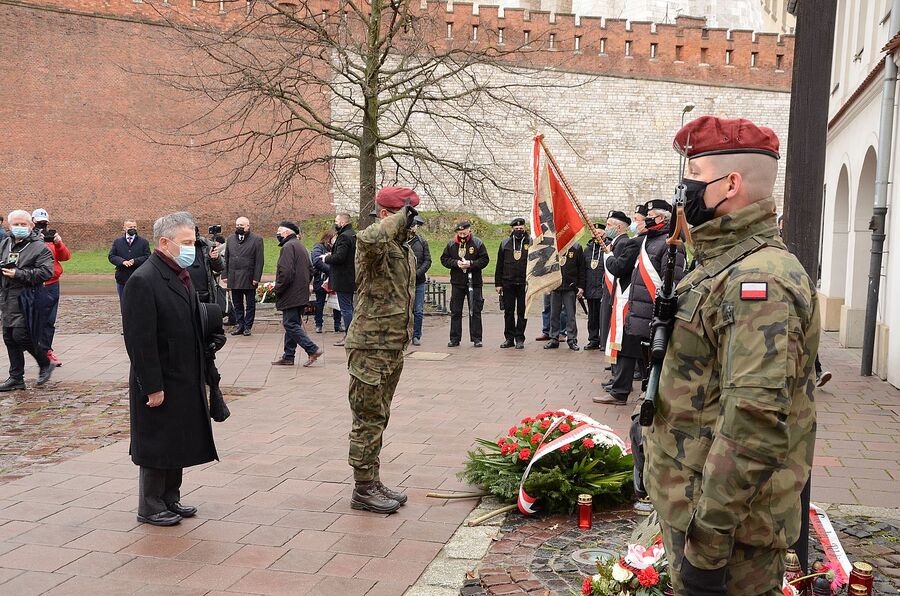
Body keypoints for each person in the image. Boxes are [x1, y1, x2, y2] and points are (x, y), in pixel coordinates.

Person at [645, 116, 819, 595]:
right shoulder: (721, 264)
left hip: (729, 535)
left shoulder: (757, 283)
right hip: (694, 505)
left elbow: (754, 421)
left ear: (731, 184)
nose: (685, 192)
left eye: (695, 178)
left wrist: (708, 545)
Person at [122, 211, 220, 527]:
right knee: (156, 441)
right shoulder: (144, 280)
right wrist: (151, 385)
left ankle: (170, 498)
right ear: (165, 243)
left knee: (176, 438)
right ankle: (149, 506)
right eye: (187, 242)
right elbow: (140, 341)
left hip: (183, 375)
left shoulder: (180, 274)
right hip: (160, 378)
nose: (193, 248)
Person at [345, 186, 419, 514]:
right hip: (369, 346)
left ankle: (372, 479)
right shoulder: (375, 245)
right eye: (408, 216)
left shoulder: (404, 250)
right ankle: (362, 489)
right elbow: (369, 238)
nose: (412, 224)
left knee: (380, 417)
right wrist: (397, 218)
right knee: (368, 418)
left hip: (390, 347)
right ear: (388, 215)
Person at [596, 200, 685, 405]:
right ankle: (620, 391)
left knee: (651, 357)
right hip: (637, 307)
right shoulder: (647, 240)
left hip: (653, 310)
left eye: (650, 215)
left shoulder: (671, 243)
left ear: (662, 218)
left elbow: (671, 280)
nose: (646, 219)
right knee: (628, 348)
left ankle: (650, 395)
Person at [0, 210, 55, 391]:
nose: (19, 228)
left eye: (23, 224)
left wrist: (19, 274)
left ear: (31, 225)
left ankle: (45, 362)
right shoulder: (5, 243)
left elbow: (46, 272)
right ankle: (16, 377)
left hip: (27, 296)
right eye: (16, 224)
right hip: (7, 296)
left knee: (20, 335)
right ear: (9, 225)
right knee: (9, 336)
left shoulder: (39, 247)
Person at [271, 222, 324, 367]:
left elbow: (286, 272)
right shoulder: (300, 246)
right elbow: (311, 269)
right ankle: (288, 356)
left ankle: (312, 349)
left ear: (287, 233)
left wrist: (278, 288)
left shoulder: (288, 247)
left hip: (291, 293)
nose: (277, 234)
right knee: (293, 323)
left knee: (290, 324)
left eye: (279, 231)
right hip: (301, 293)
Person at [440, 221, 489, 347]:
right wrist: (456, 263)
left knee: (475, 310)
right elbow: (444, 259)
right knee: (455, 311)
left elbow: (484, 260)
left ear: (469, 231)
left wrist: (471, 264)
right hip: (457, 282)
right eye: (460, 233)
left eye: (464, 233)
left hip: (474, 282)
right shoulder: (451, 243)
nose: (462, 235)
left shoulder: (477, 243)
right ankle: (455, 338)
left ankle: (477, 338)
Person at [31, 209, 70, 366]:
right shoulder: (28, 239)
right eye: (38, 224)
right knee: (33, 319)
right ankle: (32, 348)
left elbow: (65, 256)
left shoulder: (51, 240)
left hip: (52, 284)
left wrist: (58, 243)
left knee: (49, 320)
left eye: (44, 224)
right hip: (34, 284)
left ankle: (46, 351)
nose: (42, 227)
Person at [223, 216, 264, 337]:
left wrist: (256, 277)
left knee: (250, 304)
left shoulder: (257, 239)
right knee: (237, 304)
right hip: (234, 277)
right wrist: (225, 275)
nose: (239, 227)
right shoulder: (230, 239)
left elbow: (259, 260)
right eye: (237, 225)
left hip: (249, 277)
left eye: (241, 225)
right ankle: (240, 325)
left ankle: (248, 326)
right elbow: (226, 258)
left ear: (248, 226)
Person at [597, 211, 631, 354]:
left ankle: (613, 354)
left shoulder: (622, 243)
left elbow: (618, 268)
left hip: (615, 290)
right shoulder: (614, 242)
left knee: (612, 323)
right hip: (609, 290)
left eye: (609, 225)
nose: (606, 228)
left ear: (618, 227)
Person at [321, 213, 356, 346]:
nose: (335, 223)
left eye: (336, 221)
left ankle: (349, 336)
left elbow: (340, 257)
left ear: (342, 222)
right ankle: (351, 334)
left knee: (346, 308)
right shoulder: (353, 234)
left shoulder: (344, 237)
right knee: (349, 307)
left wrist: (326, 258)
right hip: (349, 276)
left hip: (343, 278)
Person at [544, 240, 585, 351]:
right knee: (554, 314)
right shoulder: (552, 247)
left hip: (570, 287)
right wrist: (546, 285)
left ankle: (572, 339)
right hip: (555, 286)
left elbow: (581, 268)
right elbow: (546, 267)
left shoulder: (576, 247)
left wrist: (581, 286)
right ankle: (554, 338)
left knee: (570, 315)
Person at [496, 218, 529, 349]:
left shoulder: (531, 243)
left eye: (521, 229)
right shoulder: (505, 243)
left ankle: (520, 338)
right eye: (516, 229)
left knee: (522, 312)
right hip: (508, 283)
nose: (519, 231)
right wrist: (498, 284)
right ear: (512, 230)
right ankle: (509, 338)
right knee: (508, 312)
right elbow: (499, 265)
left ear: (525, 228)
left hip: (524, 283)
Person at [108, 220, 151, 304]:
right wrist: (122, 261)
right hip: (122, 277)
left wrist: (135, 261)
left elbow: (148, 257)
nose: (133, 229)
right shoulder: (117, 242)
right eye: (130, 227)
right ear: (124, 228)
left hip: (139, 278)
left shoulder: (144, 242)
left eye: (134, 227)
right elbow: (111, 256)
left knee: (139, 303)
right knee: (124, 303)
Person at [311, 229, 343, 334]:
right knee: (320, 303)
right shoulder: (319, 247)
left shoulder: (337, 248)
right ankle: (318, 324)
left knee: (336, 302)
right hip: (321, 279)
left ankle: (337, 324)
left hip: (334, 279)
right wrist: (330, 270)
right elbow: (316, 260)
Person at [583, 222, 608, 351]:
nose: (596, 235)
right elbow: (582, 270)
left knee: (603, 317)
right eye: (594, 233)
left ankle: (604, 341)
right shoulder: (587, 249)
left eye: (599, 233)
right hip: (590, 289)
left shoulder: (608, 249)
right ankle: (593, 339)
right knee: (592, 317)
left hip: (603, 289)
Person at [408, 216, 432, 346]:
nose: (413, 228)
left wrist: (418, 273)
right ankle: (405, 333)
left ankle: (416, 335)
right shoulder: (400, 242)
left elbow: (428, 260)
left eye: (415, 226)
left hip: (419, 281)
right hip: (404, 282)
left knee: (418, 310)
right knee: (405, 310)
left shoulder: (422, 242)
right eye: (412, 226)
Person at [187, 227, 224, 306]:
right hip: (186, 293)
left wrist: (215, 258)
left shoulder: (206, 244)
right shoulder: (176, 245)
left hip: (206, 294)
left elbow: (220, 268)